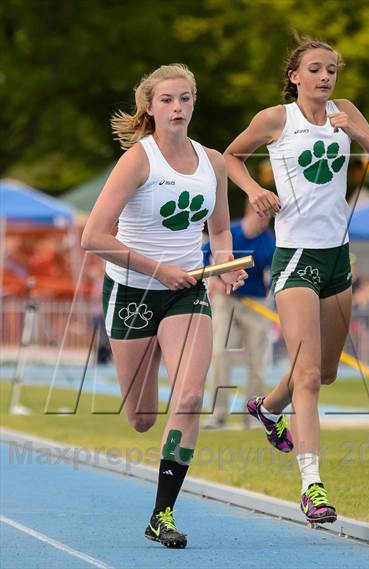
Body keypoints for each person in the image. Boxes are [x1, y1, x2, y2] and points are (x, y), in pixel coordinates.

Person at [224, 37, 369, 525]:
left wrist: (361, 135)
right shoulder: (275, 119)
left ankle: (265, 408)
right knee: (306, 377)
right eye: (316, 70)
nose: (326, 77)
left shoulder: (346, 112)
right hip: (295, 257)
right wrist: (256, 190)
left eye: (332, 70)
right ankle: (312, 486)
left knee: (324, 372)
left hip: (336, 260)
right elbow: (229, 157)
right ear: (295, 77)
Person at [81, 63, 247, 549]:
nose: (177, 108)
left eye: (185, 99)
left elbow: (218, 231)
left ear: (195, 103)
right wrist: (156, 268)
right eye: (167, 100)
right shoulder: (138, 160)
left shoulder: (213, 162)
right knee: (142, 419)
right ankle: (147, 354)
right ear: (149, 109)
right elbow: (93, 237)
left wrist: (224, 264)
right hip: (132, 292)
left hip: (187, 291)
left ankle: (162, 514)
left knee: (192, 397)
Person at [202, 201, 287, 433]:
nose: (264, 220)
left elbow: (276, 272)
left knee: (257, 360)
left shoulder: (269, 242)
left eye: (268, 217)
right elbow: (205, 255)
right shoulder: (232, 234)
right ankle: (218, 414)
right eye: (261, 214)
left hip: (255, 303)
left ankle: (254, 414)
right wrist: (213, 280)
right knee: (220, 353)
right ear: (251, 212)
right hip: (226, 299)